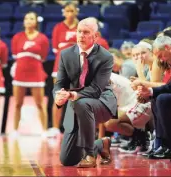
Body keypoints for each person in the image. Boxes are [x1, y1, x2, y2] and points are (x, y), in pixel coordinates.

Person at [53, 17, 117, 168]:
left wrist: (72, 95)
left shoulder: (105, 57)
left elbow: (95, 89)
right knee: (67, 160)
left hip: (101, 101)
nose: (81, 35)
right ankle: (101, 144)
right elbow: (60, 84)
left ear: (96, 36)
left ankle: (90, 154)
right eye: (79, 31)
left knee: (82, 103)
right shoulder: (65, 54)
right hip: (75, 104)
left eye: (86, 32)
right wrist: (58, 95)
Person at [10, 11, 49, 137]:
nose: (28, 21)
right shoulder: (17, 37)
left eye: (31, 18)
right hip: (20, 72)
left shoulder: (42, 38)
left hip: (36, 72)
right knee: (17, 103)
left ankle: (44, 131)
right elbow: (15, 54)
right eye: (26, 18)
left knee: (39, 103)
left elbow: (43, 56)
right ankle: (15, 130)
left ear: (36, 22)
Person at [50, 2, 79, 137]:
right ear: (63, 12)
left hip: (77, 64)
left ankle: (75, 127)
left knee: (77, 96)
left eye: (72, 11)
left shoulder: (81, 27)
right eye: (67, 11)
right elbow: (56, 48)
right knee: (59, 95)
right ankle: (55, 128)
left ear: (76, 12)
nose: (69, 14)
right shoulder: (57, 27)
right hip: (60, 65)